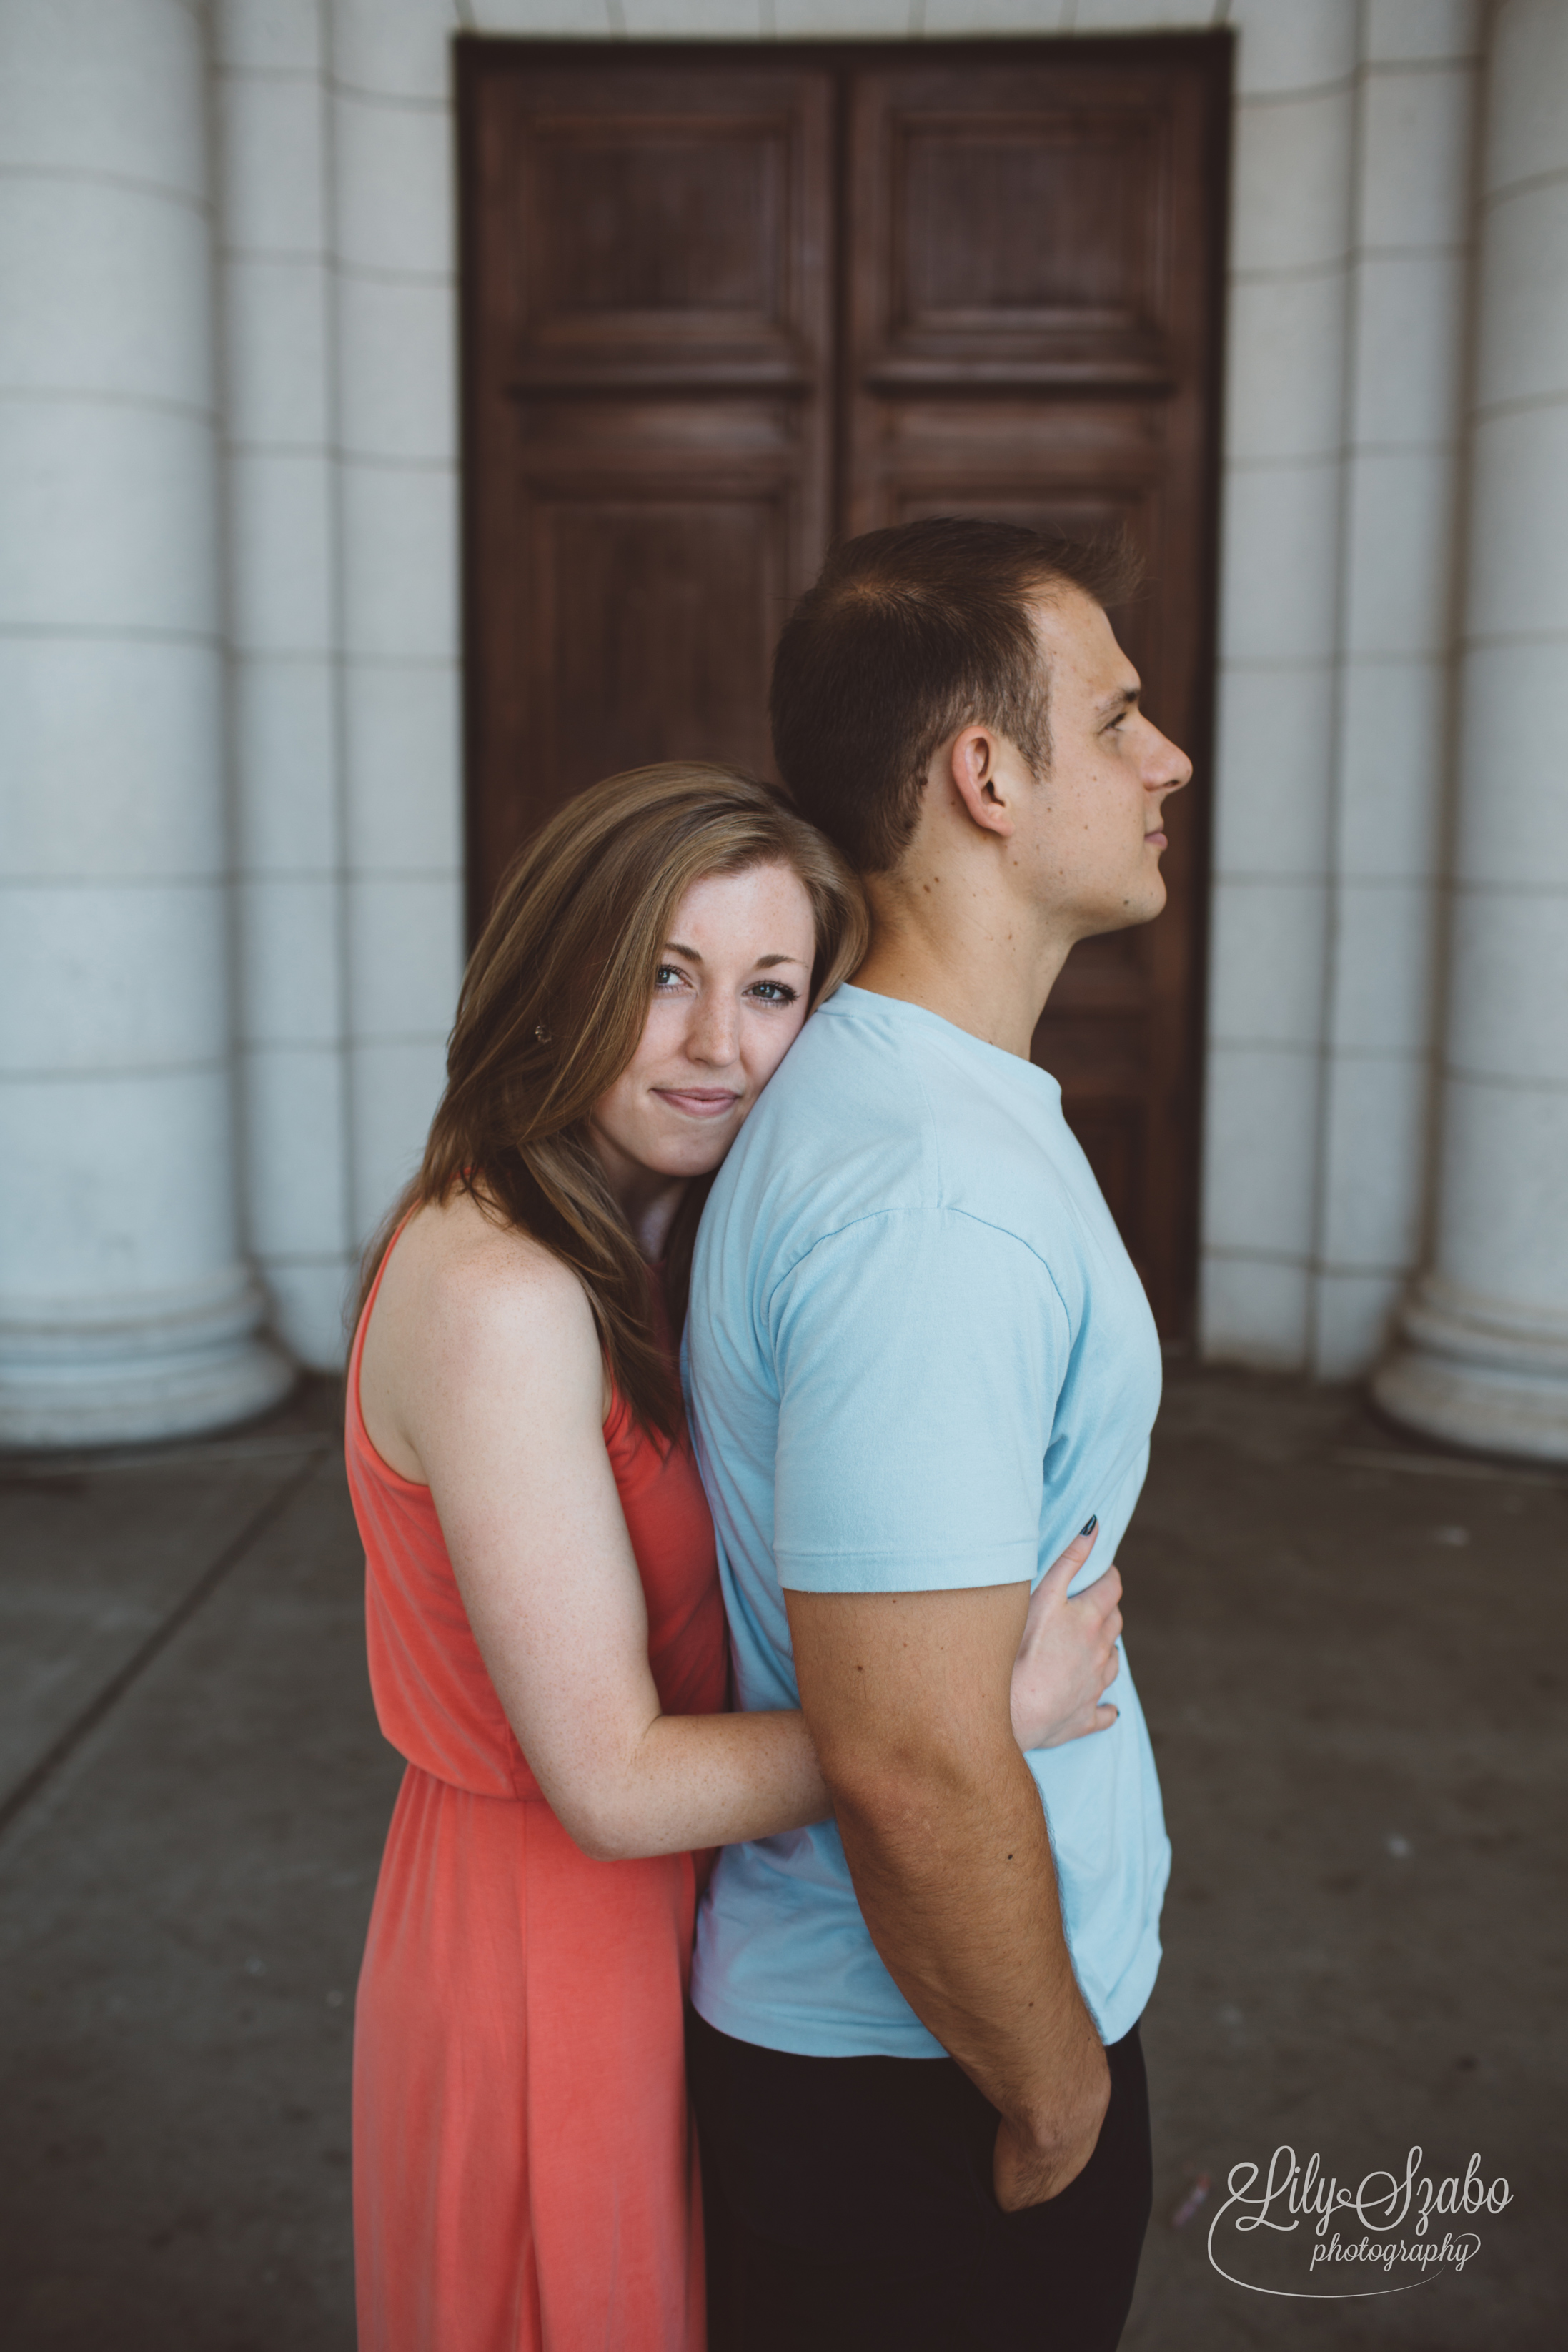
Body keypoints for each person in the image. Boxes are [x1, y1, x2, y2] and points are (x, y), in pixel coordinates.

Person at [344, 761, 1126, 2352]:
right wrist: (980, 1718)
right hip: (547, 1947)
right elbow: (611, 1783)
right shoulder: (502, 1294)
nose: (720, 1045)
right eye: (662, 976)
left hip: (660, 1927)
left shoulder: (625, 1239)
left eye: (770, 988)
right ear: (553, 972)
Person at [683, 520, 1193, 2352]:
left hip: (919, 2041)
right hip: (927, 2078)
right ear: (984, 774)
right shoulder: (926, 1198)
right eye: (1118, 715)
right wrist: (1058, 2096)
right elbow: (901, 1750)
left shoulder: (922, 1103)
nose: (1167, 758)